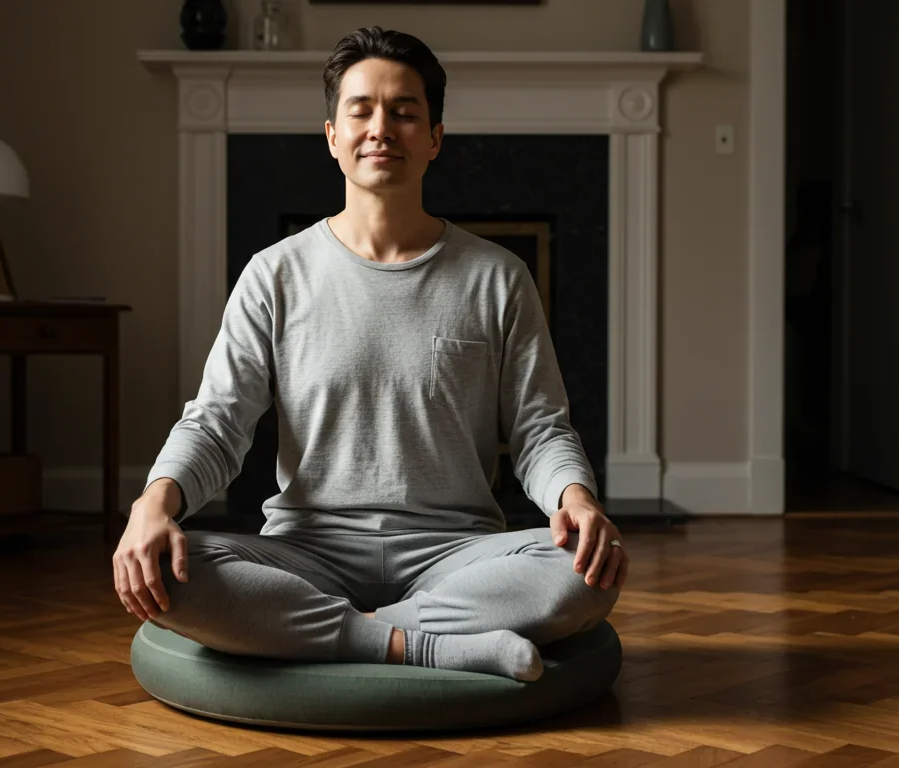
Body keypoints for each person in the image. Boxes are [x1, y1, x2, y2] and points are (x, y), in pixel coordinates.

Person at [112, 26, 625, 682]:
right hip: (308, 553)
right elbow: (217, 422)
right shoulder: (274, 275)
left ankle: (341, 635)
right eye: (362, 110)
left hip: (457, 554)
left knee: (584, 572)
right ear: (332, 135)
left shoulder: (498, 278)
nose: (382, 127)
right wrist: (152, 505)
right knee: (168, 567)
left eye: (405, 112)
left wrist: (577, 502)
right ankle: (430, 643)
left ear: (435, 137)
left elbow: (538, 431)